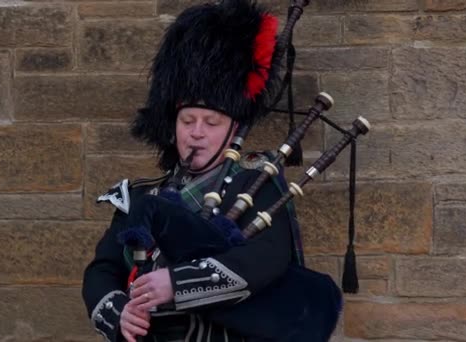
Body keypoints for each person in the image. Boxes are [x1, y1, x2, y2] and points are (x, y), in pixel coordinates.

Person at [82, 1, 308, 341]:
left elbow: (266, 261)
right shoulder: (141, 195)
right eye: (188, 120)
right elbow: (103, 270)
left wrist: (176, 283)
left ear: (234, 130)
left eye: (211, 122)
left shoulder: (256, 184)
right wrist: (121, 313)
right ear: (173, 126)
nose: (197, 132)